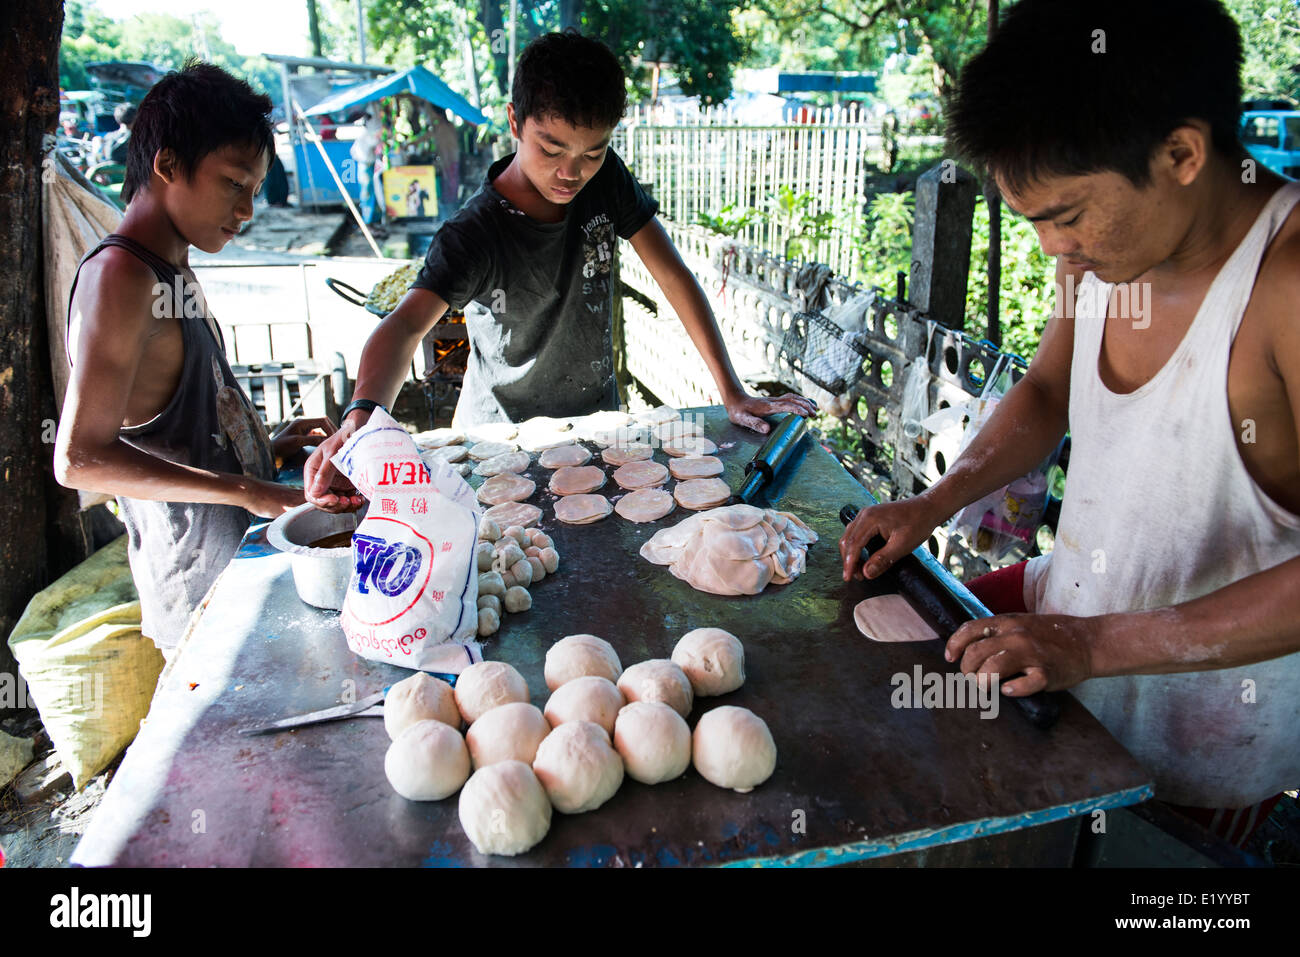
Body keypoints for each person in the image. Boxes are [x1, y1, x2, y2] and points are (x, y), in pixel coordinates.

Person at [840, 0, 1300, 846]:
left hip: (1195, 741)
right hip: (1063, 632)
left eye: (1066, 215)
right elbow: (1049, 395)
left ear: (1183, 153)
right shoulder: (1107, 257)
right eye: (1036, 222)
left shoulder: (1284, 286)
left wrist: (1096, 644)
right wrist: (933, 504)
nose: (1056, 250)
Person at [305, 30, 814, 509]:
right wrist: (362, 418)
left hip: (601, 432)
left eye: (592, 152)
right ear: (513, 122)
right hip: (498, 446)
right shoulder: (475, 234)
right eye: (550, 149)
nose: (571, 172)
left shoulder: (606, 180)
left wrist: (731, 390)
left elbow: (673, 275)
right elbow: (403, 326)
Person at [54, 62, 336, 659]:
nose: (247, 211)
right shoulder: (119, 277)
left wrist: (264, 446)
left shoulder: (171, 265)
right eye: (234, 184)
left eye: (255, 190)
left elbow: (176, 422)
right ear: (167, 165)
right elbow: (78, 459)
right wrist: (245, 488)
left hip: (237, 568)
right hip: (199, 595)